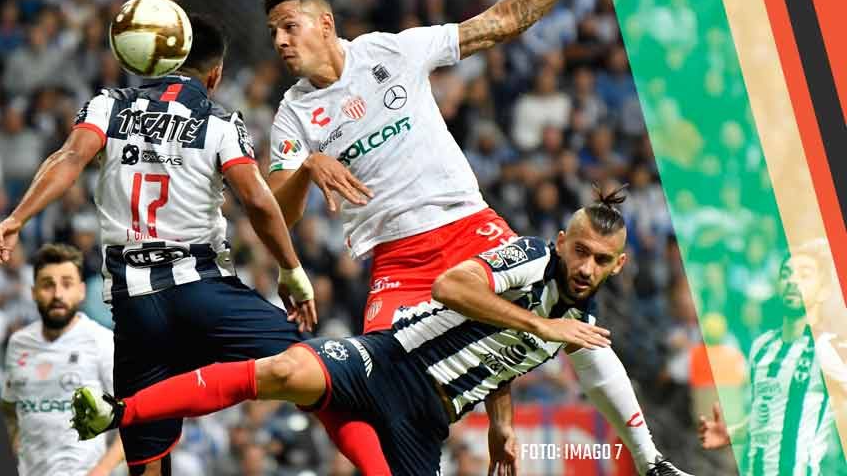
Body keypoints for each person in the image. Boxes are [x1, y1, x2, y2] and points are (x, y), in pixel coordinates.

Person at [261, 0, 681, 476]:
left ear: (325, 23)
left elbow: (499, 23)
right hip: (396, 260)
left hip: (468, 227)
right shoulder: (293, 113)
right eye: (273, 33)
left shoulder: (394, 51)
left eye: (289, 26)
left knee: (569, 314)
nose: (281, 41)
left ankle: (652, 461)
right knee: (376, 388)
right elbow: (277, 214)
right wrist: (308, 166)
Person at [72, 188, 690, 475]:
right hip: (389, 360)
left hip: (425, 421)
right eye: (579, 250)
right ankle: (120, 410)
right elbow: (453, 288)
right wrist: (540, 322)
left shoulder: (572, 324)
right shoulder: (530, 258)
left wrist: (501, 426)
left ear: (618, 264)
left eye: (599, 260)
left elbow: (507, 356)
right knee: (284, 370)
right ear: (563, 240)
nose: (584, 267)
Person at [0, 13, 334, 475]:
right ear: (216, 74)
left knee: (146, 455)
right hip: (202, 293)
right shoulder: (220, 121)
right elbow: (259, 203)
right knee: (319, 366)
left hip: (133, 308)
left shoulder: (109, 105)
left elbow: (68, 159)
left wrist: (15, 219)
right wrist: (291, 270)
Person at [698, 242, 847, 475]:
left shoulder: (827, 348)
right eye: (786, 274)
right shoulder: (762, 346)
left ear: (824, 290)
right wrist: (731, 434)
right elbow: (765, 413)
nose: (793, 281)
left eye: (804, 275)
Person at [0, 243, 125, 475]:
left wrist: (100, 472)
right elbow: (9, 409)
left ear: (81, 291)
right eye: (48, 285)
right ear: (33, 291)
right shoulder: (19, 343)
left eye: (67, 284)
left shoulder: (102, 341)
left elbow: (135, 421)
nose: (57, 294)